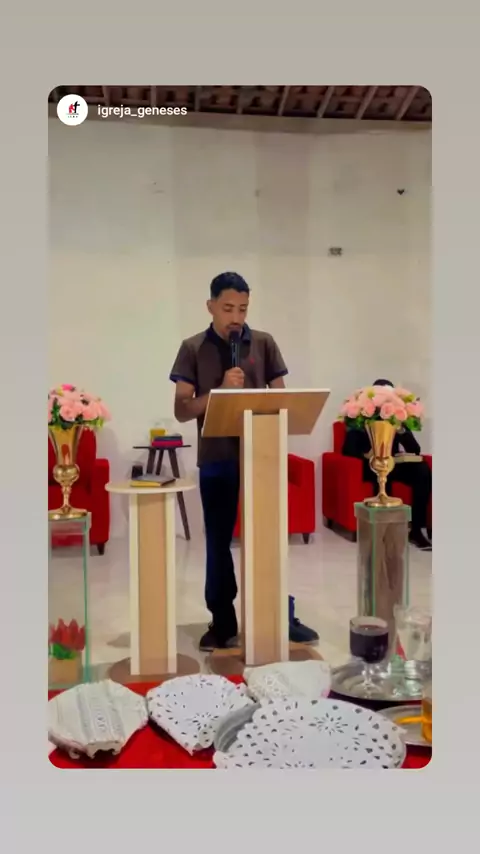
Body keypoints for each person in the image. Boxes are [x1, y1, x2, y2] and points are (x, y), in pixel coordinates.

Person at [169, 271, 319, 651]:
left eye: (243, 309)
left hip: (261, 456)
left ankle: (278, 615)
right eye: (227, 308)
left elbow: (282, 400)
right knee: (219, 544)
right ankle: (222, 622)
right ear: (210, 306)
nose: (236, 317)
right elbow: (182, 410)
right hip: (217, 460)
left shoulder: (264, 343)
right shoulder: (192, 347)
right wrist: (219, 391)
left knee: (270, 540)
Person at [342, 379, 432, 551]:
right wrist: (367, 454)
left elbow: (415, 449)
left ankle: (416, 529)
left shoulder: (396, 417)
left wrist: (402, 430)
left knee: (422, 471)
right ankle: (384, 531)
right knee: (382, 473)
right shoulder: (361, 419)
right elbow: (347, 449)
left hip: (393, 463)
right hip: (370, 465)